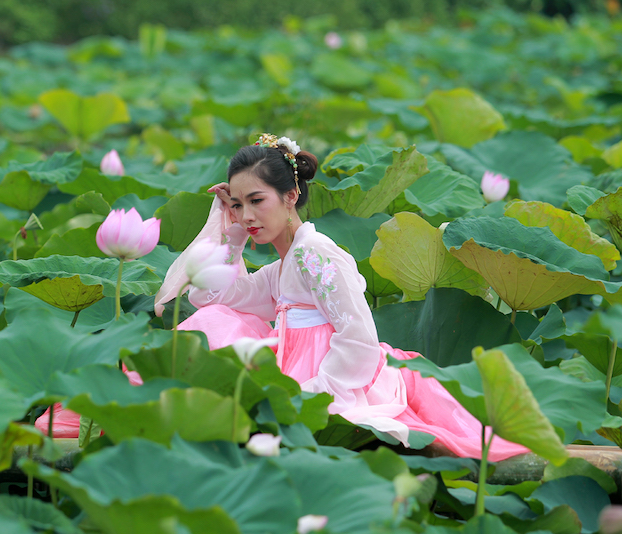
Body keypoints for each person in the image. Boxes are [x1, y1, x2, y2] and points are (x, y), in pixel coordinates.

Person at [154, 133, 528, 461]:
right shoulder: (283, 266)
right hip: (298, 379)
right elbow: (212, 296)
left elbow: (359, 339)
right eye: (237, 204)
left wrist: (313, 394)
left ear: (291, 195)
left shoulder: (314, 253)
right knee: (213, 322)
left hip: (339, 383)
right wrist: (232, 231)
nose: (247, 214)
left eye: (256, 200)